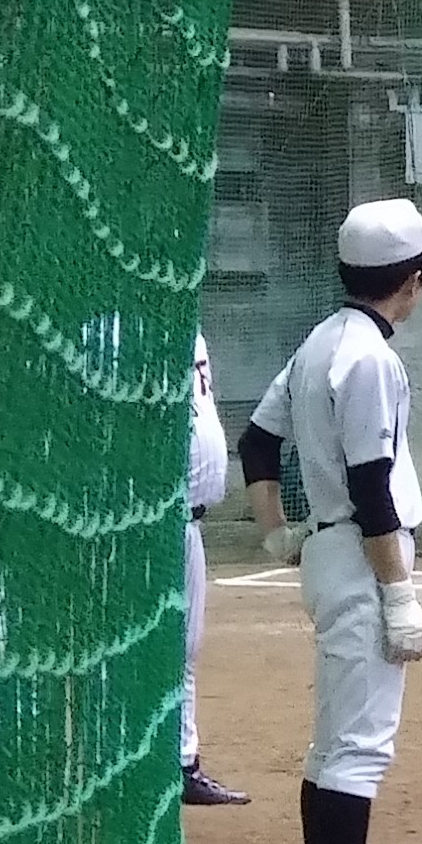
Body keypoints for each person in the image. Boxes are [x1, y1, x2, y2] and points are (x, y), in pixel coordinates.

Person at [237, 199, 422, 844]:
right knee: (357, 750)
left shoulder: (323, 340)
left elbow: (258, 440)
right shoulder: (373, 361)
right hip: (363, 557)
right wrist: (398, 592)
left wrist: (276, 533)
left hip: (332, 553)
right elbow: (371, 485)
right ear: (411, 281)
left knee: (337, 747)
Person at [182, 332, 247, 807]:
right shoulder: (118, 323)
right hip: (146, 520)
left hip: (187, 522)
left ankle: (182, 762)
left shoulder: (192, 328)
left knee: (186, 646)